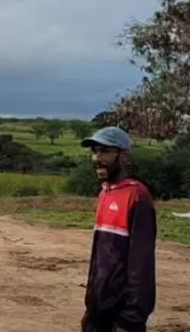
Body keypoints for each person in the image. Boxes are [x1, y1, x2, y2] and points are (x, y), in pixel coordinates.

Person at [80, 127, 156, 332]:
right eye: (94, 151)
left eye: (105, 151)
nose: (97, 158)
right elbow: (100, 257)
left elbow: (142, 262)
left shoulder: (137, 197)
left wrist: (131, 318)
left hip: (122, 316)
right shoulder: (105, 193)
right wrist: (90, 307)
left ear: (124, 157)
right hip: (99, 310)